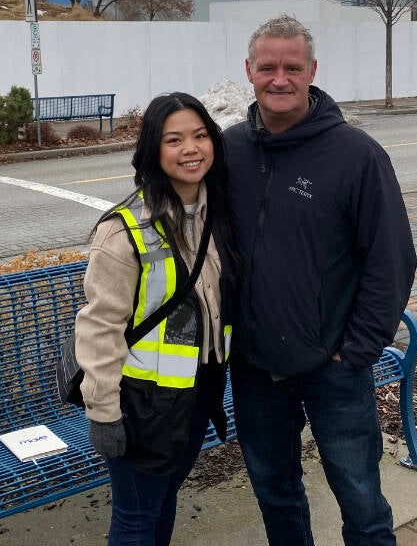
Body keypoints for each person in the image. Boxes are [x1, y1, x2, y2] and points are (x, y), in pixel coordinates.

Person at [225, 15, 417, 546]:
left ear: (312, 71)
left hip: (334, 367)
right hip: (255, 365)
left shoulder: (356, 156)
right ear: (249, 71)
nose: (279, 79)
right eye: (268, 67)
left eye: (292, 67)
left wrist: (356, 350)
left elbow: (393, 261)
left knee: (359, 494)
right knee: (274, 490)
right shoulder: (231, 151)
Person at [73, 91, 240, 546]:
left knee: (163, 504)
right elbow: (99, 326)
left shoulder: (218, 213)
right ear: (153, 150)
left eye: (200, 135)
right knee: (135, 519)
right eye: (174, 140)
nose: (191, 149)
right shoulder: (123, 230)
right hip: (141, 403)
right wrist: (104, 413)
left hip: (198, 392)